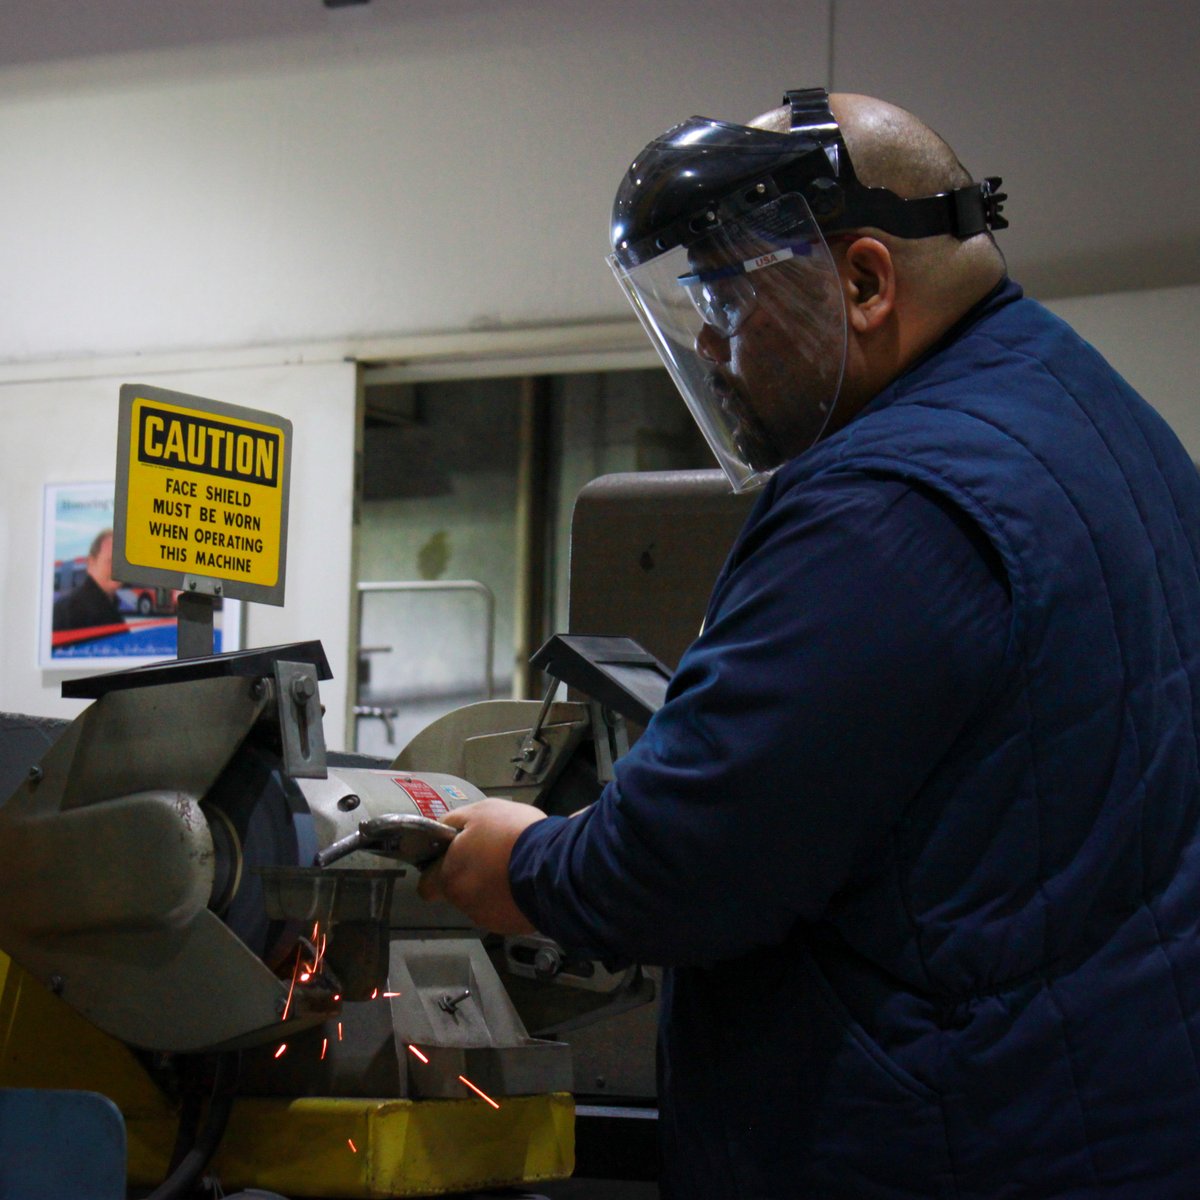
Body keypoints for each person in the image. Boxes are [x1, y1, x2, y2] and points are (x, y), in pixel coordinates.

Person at [420, 88, 1200, 1198]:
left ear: (867, 283)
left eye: (727, 298)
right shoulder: (1106, 423)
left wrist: (521, 861)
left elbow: (684, 864)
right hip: (1102, 1116)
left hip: (945, 1146)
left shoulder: (886, 500)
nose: (708, 344)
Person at [52, 527, 126, 633]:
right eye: (110, 561)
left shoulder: (112, 609)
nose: (117, 569)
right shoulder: (70, 613)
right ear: (91, 563)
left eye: (122, 562)